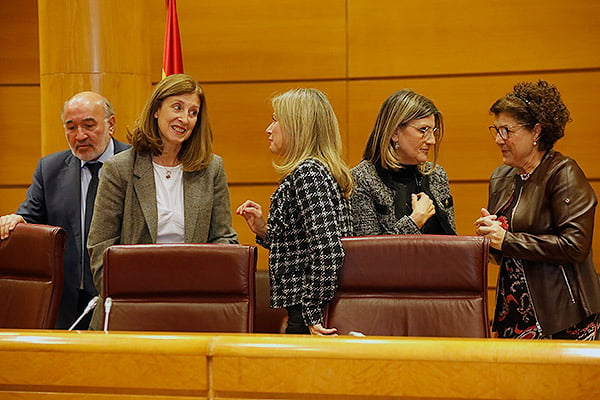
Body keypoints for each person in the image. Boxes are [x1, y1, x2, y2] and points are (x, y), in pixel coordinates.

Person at [87, 74, 238, 330]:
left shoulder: (211, 168)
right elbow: (101, 246)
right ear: (157, 110)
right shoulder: (120, 169)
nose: (185, 119)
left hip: (192, 308)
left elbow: (223, 239)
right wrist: (125, 297)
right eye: (177, 107)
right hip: (130, 308)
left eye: (193, 112)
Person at [475, 80, 600, 340]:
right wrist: (489, 240)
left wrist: (506, 240)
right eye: (496, 130)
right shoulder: (501, 176)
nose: (499, 140)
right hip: (514, 315)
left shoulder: (563, 172)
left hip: (563, 316)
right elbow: (507, 251)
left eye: (507, 131)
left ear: (537, 132)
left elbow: (575, 246)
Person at [0, 92, 129, 330]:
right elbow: (29, 216)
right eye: (71, 127)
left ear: (111, 124)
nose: (80, 135)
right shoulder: (50, 169)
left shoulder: (135, 164)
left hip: (120, 298)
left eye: (89, 126)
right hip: (68, 301)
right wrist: (16, 219)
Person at [236, 88, 352, 335]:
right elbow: (304, 245)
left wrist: (311, 313)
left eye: (276, 120)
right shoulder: (317, 171)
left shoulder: (308, 173)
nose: (269, 129)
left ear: (297, 127)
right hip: (312, 307)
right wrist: (263, 230)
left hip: (312, 312)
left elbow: (327, 250)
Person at [351, 89, 456, 236]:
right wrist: (414, 222)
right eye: (423, 130)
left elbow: (451, 241)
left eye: (433, 131)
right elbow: (369, 254)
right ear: (394, 133)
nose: (432, 140)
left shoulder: (436, 175)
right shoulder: (362, 179)